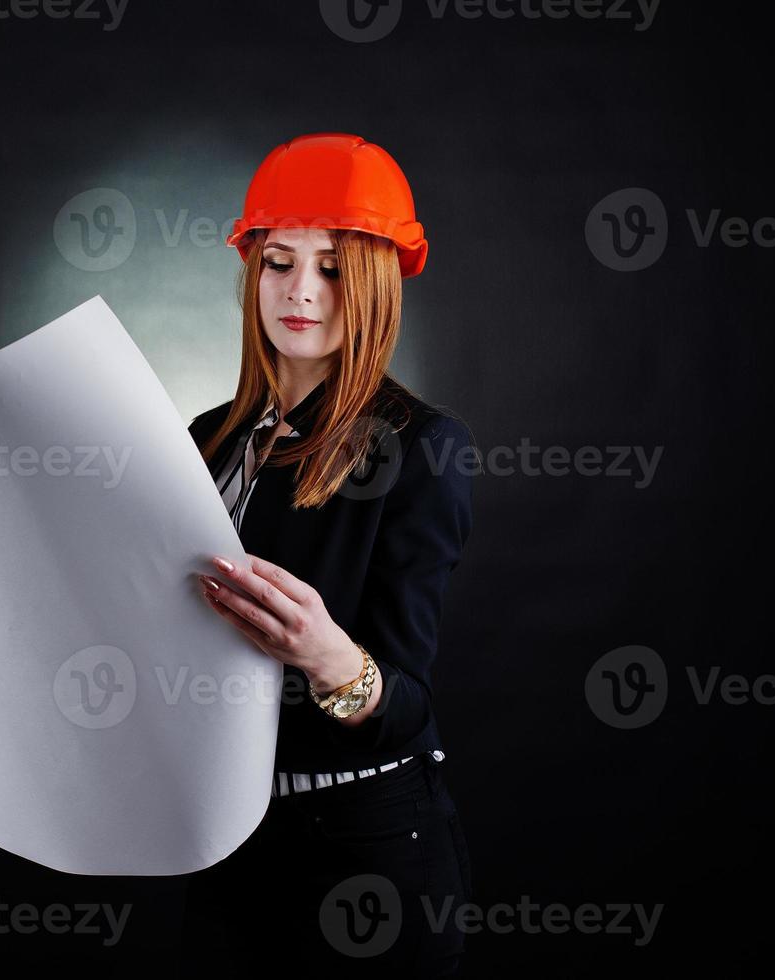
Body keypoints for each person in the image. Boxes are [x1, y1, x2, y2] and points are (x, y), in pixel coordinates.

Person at [176, 133, 475, 973]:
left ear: (377, 281)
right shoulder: (209, 439)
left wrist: (328, 658)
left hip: (364, 849)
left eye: (333, 267)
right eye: (278, 262)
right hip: (227, 839)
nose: (299, 292)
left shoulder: (423, 448)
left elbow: (406, 704)